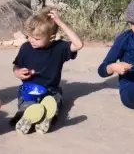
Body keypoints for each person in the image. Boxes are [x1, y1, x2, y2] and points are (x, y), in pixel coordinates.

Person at [11, 7, 84, 135]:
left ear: (51, 37)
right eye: (29, 36)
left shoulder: (59, 48)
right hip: (29, 90)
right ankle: (26, 116)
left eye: (37, 38)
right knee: (27, 104)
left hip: (51, 90)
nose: (31, 40)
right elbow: (16, 66)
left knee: (53, 102)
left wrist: (60, 23)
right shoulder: (26, 48)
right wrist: (17, 72)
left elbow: (78, 44)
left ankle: (46, 118)